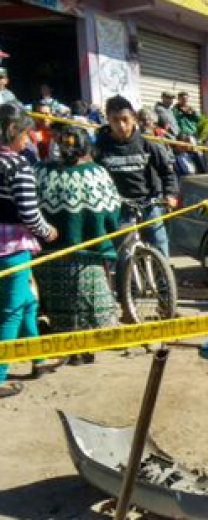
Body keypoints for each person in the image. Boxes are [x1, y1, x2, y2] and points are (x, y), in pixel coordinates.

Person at [34, 127, 122, 365]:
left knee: (56, 306)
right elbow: (112, 216)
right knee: (87, 307)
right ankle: (85, 350)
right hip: (88, 259)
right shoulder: (97, 174)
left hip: (47, 257)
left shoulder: (40, 172)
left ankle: (63, 349)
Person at [1, 103, 59, 398]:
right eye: (25, 134)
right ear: (12, 131)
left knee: (26, 304)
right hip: (12, 247)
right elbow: (28, 213)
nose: (28, 140)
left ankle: (38, 358)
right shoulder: (18, 166)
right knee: (10, 311)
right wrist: (48, 231)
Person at [95, 95, 178, 258]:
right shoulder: (101, 147)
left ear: (133, 118)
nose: (121, 125)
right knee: (125, 252)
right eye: (115, 120)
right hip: (120, 207)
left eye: (125, 119)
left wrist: (170, 194)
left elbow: (167, 172)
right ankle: (128, 282)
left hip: (149, 203)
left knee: (159, 243)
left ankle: (164, 281)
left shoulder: (148, 144)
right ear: (108, 120)